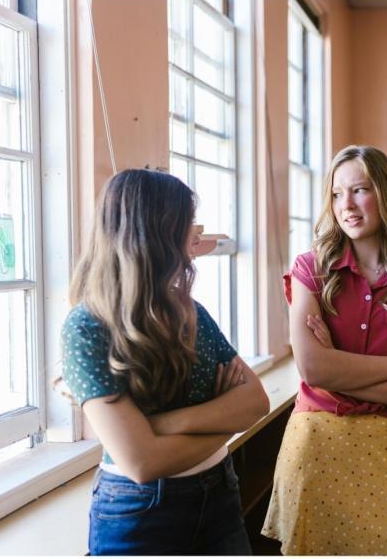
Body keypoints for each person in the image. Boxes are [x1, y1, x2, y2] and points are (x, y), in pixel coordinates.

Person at [61, 169, 270, 555]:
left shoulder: (191, 310)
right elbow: (141, 462)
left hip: (220, 493)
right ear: (156, 231)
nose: (196, 235)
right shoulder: (87, 326)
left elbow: (256, 402)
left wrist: (160, 425)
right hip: (140, 512)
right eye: (188, 223)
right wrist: (226, 419)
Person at [261, 145, 387, 555]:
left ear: (385, 194)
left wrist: (341, 369)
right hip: (317, 445)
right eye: (336, 194)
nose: (345, 205)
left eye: (360, 190)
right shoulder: (310, 270)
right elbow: (314, 370)